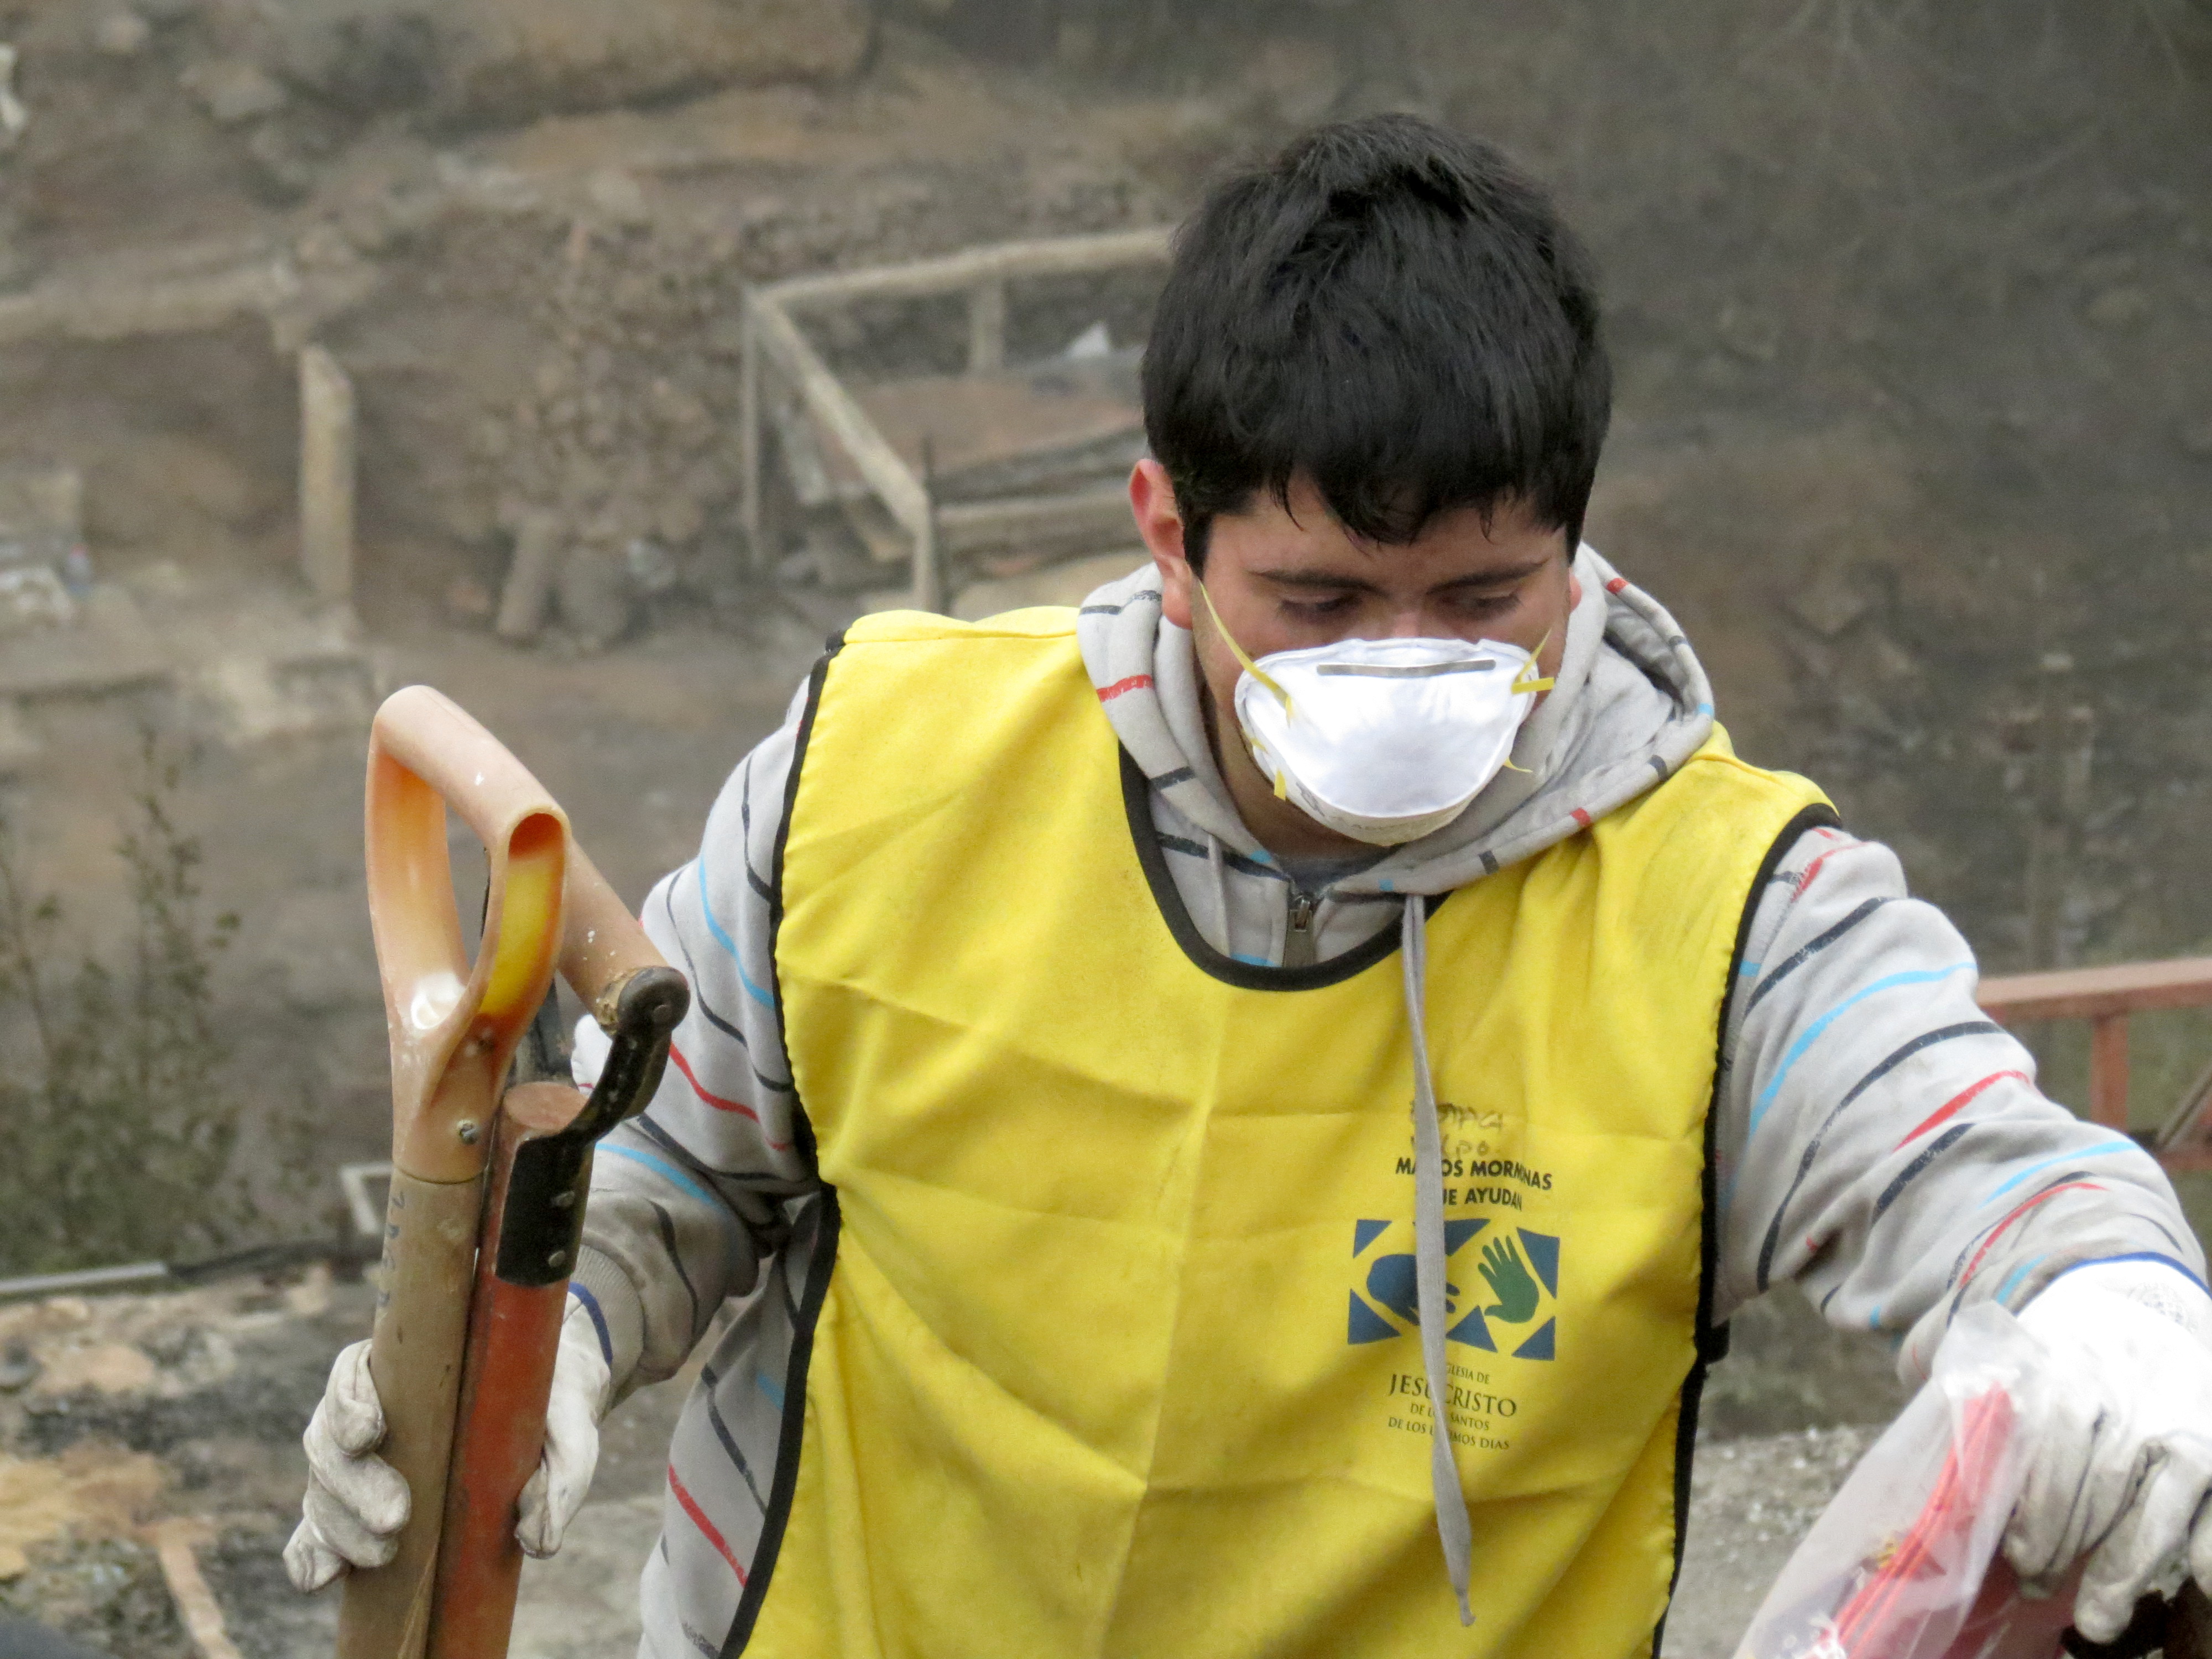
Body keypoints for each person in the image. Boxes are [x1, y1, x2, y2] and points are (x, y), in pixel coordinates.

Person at [287, 116, 2212, 1657]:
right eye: (1318, 602)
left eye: (1481, 600)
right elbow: (689, 1166)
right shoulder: (885, 772)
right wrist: (555, 1360)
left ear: (1578, 547)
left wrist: (2116, 1303)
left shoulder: (1730, 919)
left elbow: (1984, 1169)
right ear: (1167, 533)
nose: (1404, 664)